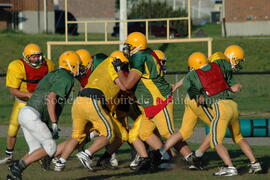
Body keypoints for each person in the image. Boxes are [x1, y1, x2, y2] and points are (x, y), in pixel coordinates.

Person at [113, 32, 201, 170]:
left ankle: (191, 158)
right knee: (145, 133)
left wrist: (118, 70)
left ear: (137, 46)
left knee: (168, 133)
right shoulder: (146, 53)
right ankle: (166, 158)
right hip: (150, 104)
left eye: (129, 46)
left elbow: (127, 85)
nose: (127, 49)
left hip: (159, 101)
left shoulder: (139, 57)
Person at [167, 51, 261, 176]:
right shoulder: (219, 66)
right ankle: (255, 163)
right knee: (238, 137)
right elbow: (232, 86)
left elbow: (195, 80)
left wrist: (196, 94)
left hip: (221, 108)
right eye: (237, 60)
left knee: (215, 141)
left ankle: (230, 167)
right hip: (232, 105)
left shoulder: (204, 71)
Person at [6, 51, 81, 180]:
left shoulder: (54, 74)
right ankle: (17, 166)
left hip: (26, 112)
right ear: (71, 65)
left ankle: (13, 176)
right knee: (50, 147)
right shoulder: (66, 77)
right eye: (77, 64)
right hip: (33, 114)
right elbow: (51, 98)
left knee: (35, 151)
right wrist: (54, 122)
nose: (79, 67)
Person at [53, 51, 128, 171]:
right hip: (94, 102)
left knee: (76, 136)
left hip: (79, 101)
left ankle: (59, 162)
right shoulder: (112, 67)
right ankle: (87, 154)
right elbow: (125, 87)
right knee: (108, 134)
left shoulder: (100, 66)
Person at [0, 44, 55, 165]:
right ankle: (9, 155)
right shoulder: (17, 66)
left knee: (45, 128)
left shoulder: (48, 65)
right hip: (22, 102)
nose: (36, 59)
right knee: (12, 129)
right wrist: (28, 95)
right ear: (26, 57)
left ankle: (46, 153)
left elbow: (53, 81)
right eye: (33, 57)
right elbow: (13, 90)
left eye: (37, 56)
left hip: (40, 103)